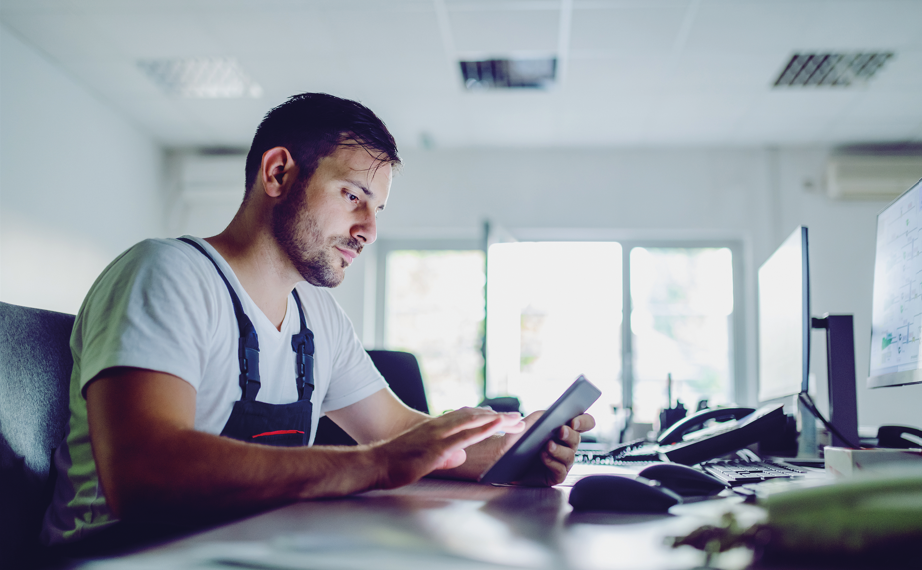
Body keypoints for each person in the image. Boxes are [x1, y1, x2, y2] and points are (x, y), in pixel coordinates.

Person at [41, 93, 595, 548]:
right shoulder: (165, 273)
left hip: (242, 547)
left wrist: (520, 453)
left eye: (377, 209)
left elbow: (402, 435)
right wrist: (371, 466)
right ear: (279, 173)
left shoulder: (318, 319)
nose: (368, 230)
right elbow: (145, 475)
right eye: (354, 196)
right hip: (123, 556)